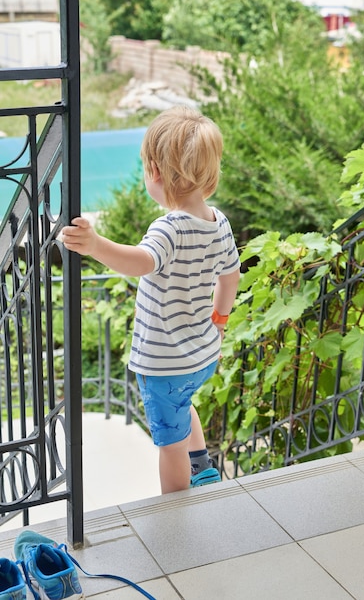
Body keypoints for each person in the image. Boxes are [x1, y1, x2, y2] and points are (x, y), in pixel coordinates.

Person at [62, 105, 241, 494]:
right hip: (202, 355)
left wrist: (94, 244)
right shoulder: (218, 222)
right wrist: (220, 321)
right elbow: (231, 278)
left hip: (165, 364)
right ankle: (205, 468)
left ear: (155, 173)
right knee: (183, 405)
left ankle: (175, 509)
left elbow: (141, 262)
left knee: (169, 444)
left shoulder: (169, 227)